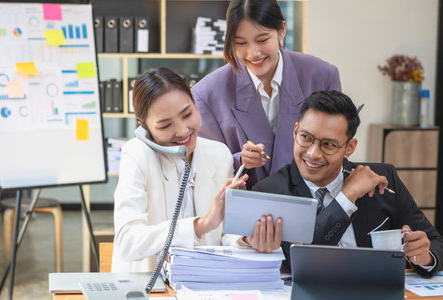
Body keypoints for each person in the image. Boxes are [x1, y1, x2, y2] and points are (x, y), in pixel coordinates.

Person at [252, 90, 443, 277]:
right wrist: (346, 197)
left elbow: (436, 244)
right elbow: (300, 263)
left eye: (328, 144)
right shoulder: (270, 192)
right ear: (295, 132)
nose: (313, 153)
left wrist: (424, 256)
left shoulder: (385, 178)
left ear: (349, 148)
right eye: (306, 137)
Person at [192, 0, 341, 188]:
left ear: (281, 30)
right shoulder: (207, 94)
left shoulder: (323, 76)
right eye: (240, 43)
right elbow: (204, 167)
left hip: (312, 204)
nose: (253, 53)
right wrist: (239, 160)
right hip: (243, 207)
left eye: (262, 40)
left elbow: (336, 147)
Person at [111, 67, 247, 272]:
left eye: (187, 114)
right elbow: (127, 240)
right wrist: (199, 225)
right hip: (150, 286)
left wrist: (247, 238)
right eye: (165, 126)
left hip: (205, 282)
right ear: (143, 127)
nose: (183, 131)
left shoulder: (219, 154)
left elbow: (226, 233)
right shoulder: (136, 154)